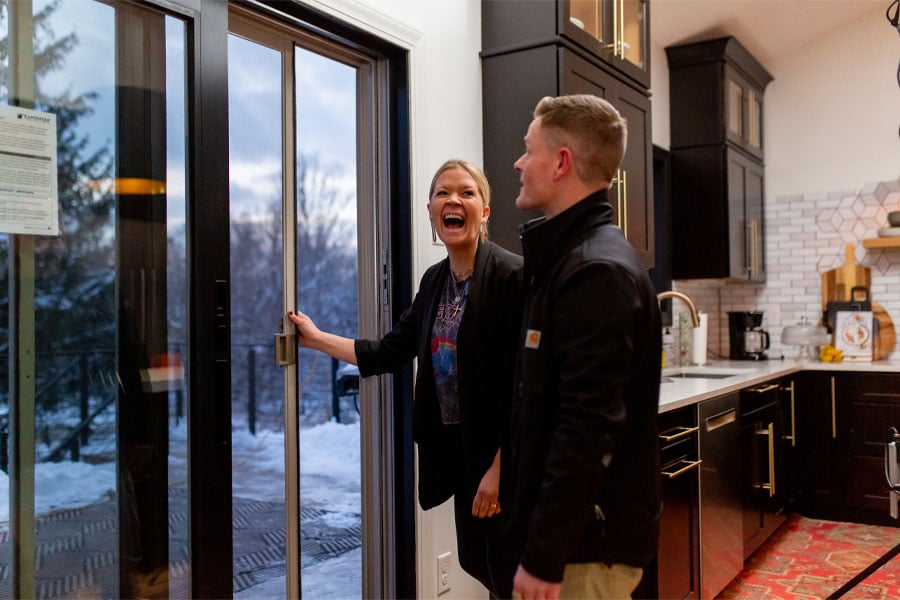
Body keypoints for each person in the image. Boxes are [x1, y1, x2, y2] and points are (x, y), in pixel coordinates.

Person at [288, 159, 523, 595]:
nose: (453, 200)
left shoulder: (511, 277)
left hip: (501, 460)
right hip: (459, 456)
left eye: (467, 193)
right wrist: (316, 339)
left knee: (509, 571)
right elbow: (389, 350)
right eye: (442, 193)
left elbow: (524, 385)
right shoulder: (434, 281)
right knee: (480, 562)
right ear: (432, 212)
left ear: (485, 212)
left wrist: (499, 469)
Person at [497, 94, 662, 600]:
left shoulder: (596, 271)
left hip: (585, 553)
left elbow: (586, 430)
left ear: (562, 161)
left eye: (529, 150)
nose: (519, 163)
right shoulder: (569, 259)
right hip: (574, 544)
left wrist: (543, 556)